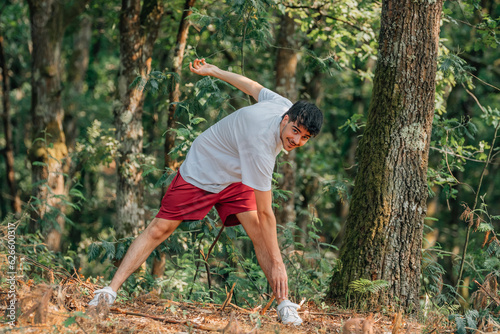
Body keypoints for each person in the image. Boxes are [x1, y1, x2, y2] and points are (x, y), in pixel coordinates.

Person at [89, 58, 323, 326]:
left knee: (259, 234)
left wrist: (214, 70)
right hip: (204, 170)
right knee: (159, 229)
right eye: (294, 131)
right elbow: (266, 211)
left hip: (236, 176)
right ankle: (109, 291)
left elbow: (252, 86)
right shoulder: (261, 145)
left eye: (304, 137)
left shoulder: (283, 106)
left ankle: (284, 305)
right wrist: (279, 263)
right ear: (285, 119)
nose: (296, 141)